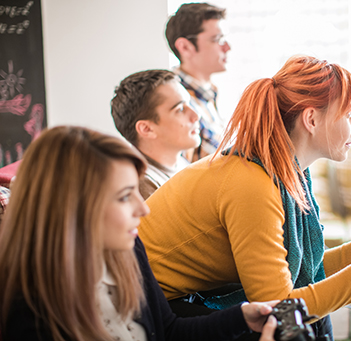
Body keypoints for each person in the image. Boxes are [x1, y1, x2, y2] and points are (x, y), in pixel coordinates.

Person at [138, 55, 351, 340]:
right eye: (348, 113)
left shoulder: (284, 171)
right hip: (152, 306)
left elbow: (305, 273)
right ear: (312, 119)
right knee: (299, 325)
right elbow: (281, 308)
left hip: (180, 298)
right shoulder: (252, 184)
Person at [0, 126, 278, 341]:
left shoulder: (128, 249)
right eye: (124, 197)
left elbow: (168, 331)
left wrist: (241, 318)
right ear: (73, 209)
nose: (142, 209)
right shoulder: (27, 304)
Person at [111, 69, 201, 199]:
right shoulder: (142, 186)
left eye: (190, 104)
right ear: (147, 129)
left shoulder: (180, 163)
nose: (196, 115)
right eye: (180, 109)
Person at [166, 2, 230, 161]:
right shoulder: (174, 103)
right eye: (218, 39)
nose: (227, 47)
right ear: (185, 47)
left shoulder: (209, 93)